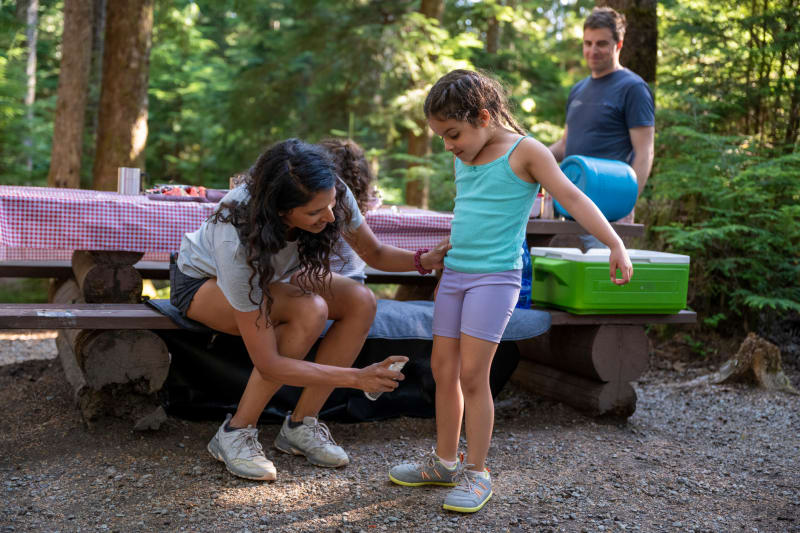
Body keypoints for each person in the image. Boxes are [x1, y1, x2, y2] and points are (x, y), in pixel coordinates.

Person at [388, 69, 633, 513]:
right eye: (441, 136)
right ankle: (444, 462)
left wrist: (614, 243)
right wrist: (448, 247)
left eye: (453, 134)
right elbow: (472, 209)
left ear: (484, 116)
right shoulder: (466, 150)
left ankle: (477, 472)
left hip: (495, 279)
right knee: (443, 369)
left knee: (472, 375)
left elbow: (572, 198)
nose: (448, 145)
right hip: (455, 274)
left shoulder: (527, 152)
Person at [171, 138, 450, 482]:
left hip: (268, 279)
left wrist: (423, 260)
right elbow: (268, 362)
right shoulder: (235, 236)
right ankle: (235, 432)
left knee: (360, 300)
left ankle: (301, 425)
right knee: (310, 310)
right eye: (315, 213)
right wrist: (357, 378)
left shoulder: (328, 188)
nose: (330, 216)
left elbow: (374, 253)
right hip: (202, 283)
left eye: (331, 205)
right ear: (281, 211)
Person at [548, 6, 655, 247]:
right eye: (588, 43)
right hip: (569, 206)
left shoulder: (633, 88)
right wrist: (531, 153)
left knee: (600, 280)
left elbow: (644, 151)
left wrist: (627, 202)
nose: (592, 50)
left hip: (609, 210)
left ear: (618, 45)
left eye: (601, 44)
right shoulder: (578, 89)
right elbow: (565, 144)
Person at [319, 138, 381, 283]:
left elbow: (377, 253)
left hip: (319, 282)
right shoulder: (356, 208)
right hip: (352, 281)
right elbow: (377, 253)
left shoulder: (318, 206)